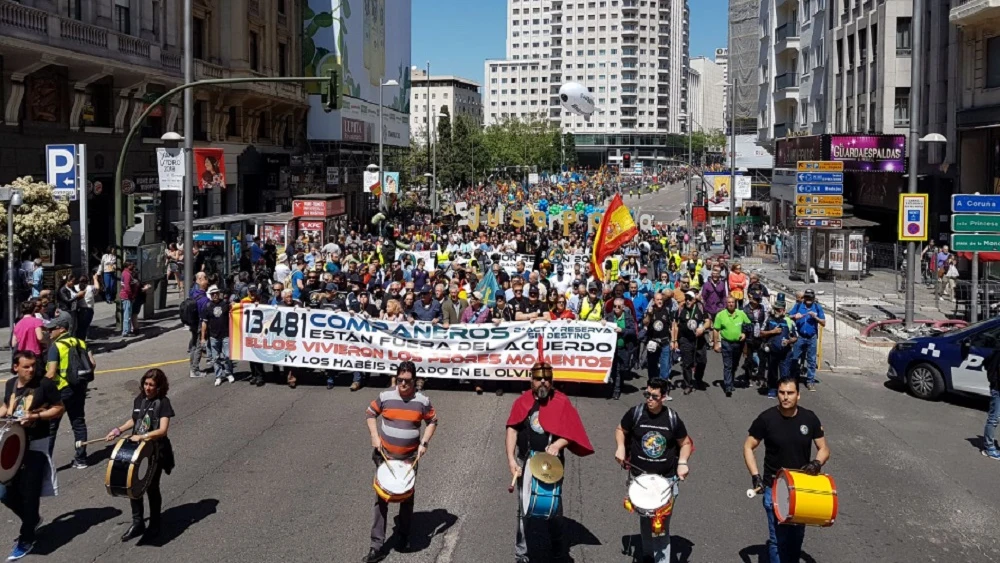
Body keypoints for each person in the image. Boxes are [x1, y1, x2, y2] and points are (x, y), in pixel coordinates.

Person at [505, 360, 594, 563]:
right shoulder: (522, 402)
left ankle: (558, 549)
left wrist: (558, 445)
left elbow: (571, 432)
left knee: (553, 509)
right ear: (531, 380)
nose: (543, 382)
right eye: (538, 379)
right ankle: (522, 554)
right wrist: (511, 459)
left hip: (551, 463)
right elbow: (512, 428)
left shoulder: (561, 401)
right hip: (526, 461)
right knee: (524, 508)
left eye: (547, 378)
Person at [743, 376, 831, 563]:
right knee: (777, 540)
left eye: (790, 393)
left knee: (796, 538)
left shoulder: (810, 418)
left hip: (801, 489)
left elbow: (824, 448)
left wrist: (816, 463)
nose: (785, 397)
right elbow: (748, 446)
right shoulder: (766, 419)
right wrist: (755, 476)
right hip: (773, 488)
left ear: (798, 395)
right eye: (782, 393)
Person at [364, 361, 438, 563]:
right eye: (400, 380)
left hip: (409, 459)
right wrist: (374, 436)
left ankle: (403, 538)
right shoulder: (386, 397)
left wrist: (424, 443)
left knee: (406, 499)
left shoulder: (422, 401)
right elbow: (370, 413)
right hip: (386, 458)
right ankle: (376, 546)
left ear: (415, 381)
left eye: (407, 381)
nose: (403, 384)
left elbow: (432, 420)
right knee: (381, 500)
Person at [614, 378, 693, 563]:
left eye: (654, 396)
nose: (649, 399)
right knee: (644, 520)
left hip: (665, 481)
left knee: (661, 526)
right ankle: (648, 556)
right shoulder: (636, 413)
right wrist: (620, 447)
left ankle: (661, 560)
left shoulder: (672, 419)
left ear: (664, 397)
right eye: (647, 394)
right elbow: (621, 429)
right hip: (640, 479)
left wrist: (682, 462)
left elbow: (685, 443)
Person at [0, 351, 64, 561]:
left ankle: (27, 538)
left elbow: (59, 408)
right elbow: (6, 407)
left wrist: (35, 415)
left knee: (29, 495)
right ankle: (32, 519)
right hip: (13, 445)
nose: (31, 370)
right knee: (4, 492)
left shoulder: (44, 385)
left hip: (35, 446)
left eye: (33, 366)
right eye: (26, 366)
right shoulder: (10, 384)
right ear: (15, 367)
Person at [105, 369, 175, 542]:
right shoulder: (139, 400)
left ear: (159, 387)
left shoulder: (163, 403)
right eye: (145, 384)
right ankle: (138, 523)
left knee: (151, 487)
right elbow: (135, 420)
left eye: (152, 385)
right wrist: (118, 430)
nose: (148, 388)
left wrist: (143, 436)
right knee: (133, 485)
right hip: (138, 451)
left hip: (155, 451)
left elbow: (163, 429)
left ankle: (155, 524)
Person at [44, 311, 95, 468]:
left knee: (52, 427)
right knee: (78, 422)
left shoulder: (56, 347)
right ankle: (81, 459)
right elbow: (92, 364)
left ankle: (45, 464)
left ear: (61, 329)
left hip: (61, 390)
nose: (49, 332)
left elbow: (51, 373)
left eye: (51, 329)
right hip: (79, 387)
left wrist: (40, 388)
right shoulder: (80, 342)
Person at [671, 291, 711, 395]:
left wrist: (702, 328)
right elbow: (675, 325)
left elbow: (708, 321)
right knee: (687, 363)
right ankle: (688, 384)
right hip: (685, 339)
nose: (688, 301)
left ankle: (698, 379)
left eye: (690, 298)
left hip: (699, 339)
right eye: (686, 298)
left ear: (694, 299)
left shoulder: (700, 308)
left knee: (702, 361)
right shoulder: (680, 309)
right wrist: (674, 340)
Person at [761, 295, 798, 399]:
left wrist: (789, 340)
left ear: (783, 310)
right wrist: (772, 332)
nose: (777, 311)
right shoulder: (769, 319)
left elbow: (795, 337)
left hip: (785, 353)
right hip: (772, 350)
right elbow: (761, 333)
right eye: (775, 309)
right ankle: (772, 389)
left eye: (779, 310)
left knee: (785, 373)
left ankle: (784, 391)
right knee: (772, 371)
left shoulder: (789, 321)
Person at [788, 289, 825, 391]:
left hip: (811, 337)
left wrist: (816, 317)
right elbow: (788, 316)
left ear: (813, 298)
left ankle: (810, 381)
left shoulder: (817, 307)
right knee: (795, 358)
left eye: (810, 298)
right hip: (800, 336)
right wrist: (795, 316)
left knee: (811, 360)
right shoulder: (799, 306)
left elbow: (823, 323)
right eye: (806, 297)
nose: (808, 300)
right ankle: (793, 379)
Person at [713, 296, 750, 397]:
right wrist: (716, 343)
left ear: (735, 303)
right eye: (729, 302)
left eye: (732, 302)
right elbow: (716, 329)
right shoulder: (720, 315)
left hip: (738, 344)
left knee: (735, 364)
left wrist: (744, 333)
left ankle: (731, 380)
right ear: (726, 304)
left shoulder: (741, 314)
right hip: (726, 343)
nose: (731, 304)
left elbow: (749, 325)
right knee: (728, 365)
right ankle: (728, 386)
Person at [200, 285, 234, 387]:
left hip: (225, 334)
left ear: (219, 294)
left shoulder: (225, 304)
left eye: (216, 293)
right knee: (215, 358)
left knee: (227, 356)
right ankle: (218, 376)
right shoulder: (207, 307)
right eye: (212, 294)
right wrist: (202, 337)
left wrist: (234, 304)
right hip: (213, 336)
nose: (215, 295)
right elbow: (204, 323)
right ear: (210, 295)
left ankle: (229, 373)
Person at [604, 297, 637, 400]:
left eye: (619, 306)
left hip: (623, 348)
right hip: (611, 349)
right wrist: (603, 323)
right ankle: (616, 390)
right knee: (614, 370)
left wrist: (622, 330)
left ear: (623, 307)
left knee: (621, 369)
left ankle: (618, 386)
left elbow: (633, 331)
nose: (616, 308)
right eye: (614, 306)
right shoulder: (609, 317)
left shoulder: (628, 317)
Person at [982, 350, 1000, 460]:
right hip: (998, 389)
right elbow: (987, 362)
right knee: (994, 418)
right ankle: (989, 448)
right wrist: (993, 379)